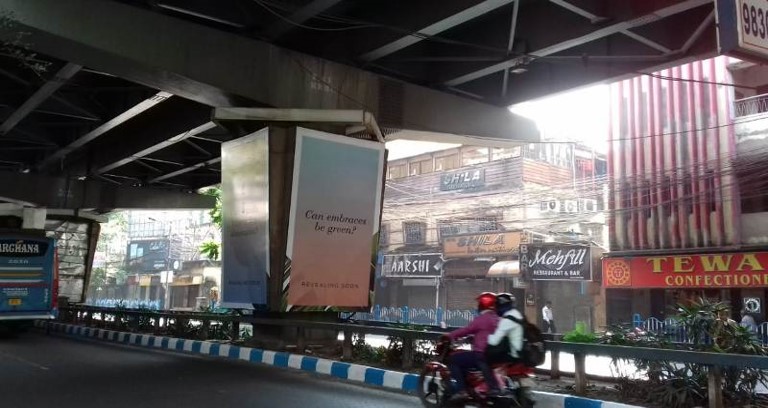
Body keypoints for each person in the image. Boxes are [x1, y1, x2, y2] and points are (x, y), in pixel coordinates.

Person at [444, 292, 501, 401]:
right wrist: (473, 338)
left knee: (452, 360)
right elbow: (484, 333)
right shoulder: (497, 319)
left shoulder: (482, 319)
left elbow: (466, 330)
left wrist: (449, 335)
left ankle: (462, 390)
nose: (478, 306)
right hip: (493, 355)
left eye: (479, 303)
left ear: (483, 305)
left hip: (480, 355)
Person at [487, 293, 525, 365]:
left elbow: (494, 341)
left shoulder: (507, 320)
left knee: (483, 358)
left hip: (514, 356)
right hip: (520, 352)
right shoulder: (517, 315)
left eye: (496, 305)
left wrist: (481, 336)